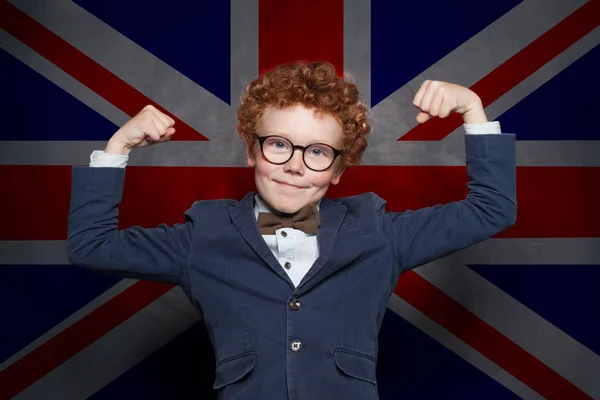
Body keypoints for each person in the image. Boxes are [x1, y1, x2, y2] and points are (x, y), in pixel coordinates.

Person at [67, 61, 516, 400]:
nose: (294, 166)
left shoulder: (377, 232)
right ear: (252, 150)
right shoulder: (203, 235)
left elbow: (490, 209)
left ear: (339, 170)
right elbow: (92, 246)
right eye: (279, 144)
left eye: (318, 152)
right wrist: (117, 147)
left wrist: (472, 110)